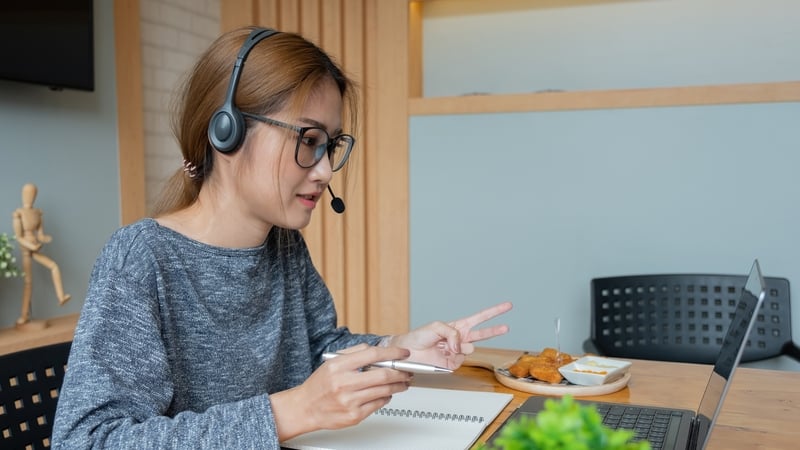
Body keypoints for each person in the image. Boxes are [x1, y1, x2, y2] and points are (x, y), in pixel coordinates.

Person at [51, 26, 512, 449]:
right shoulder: (143, 258)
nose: (326, 169)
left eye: (329, 145)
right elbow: (88, 440)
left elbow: (315, 352)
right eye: (309, 139)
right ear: (225, 131)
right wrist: (291, 411)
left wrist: (401, 349)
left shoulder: (282, 245)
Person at [12, 182, 71, 326]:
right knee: (28, 283)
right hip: (26, 250)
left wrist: (44, 239)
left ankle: (61, 296)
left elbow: (40, 234)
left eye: (32, 194)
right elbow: (18, 237)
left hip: (36, 248)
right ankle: (24, 315)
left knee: (54, 266)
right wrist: (31, 244)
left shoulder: (37, 213)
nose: (30, 197)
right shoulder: (18, 213)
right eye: (27, 193)